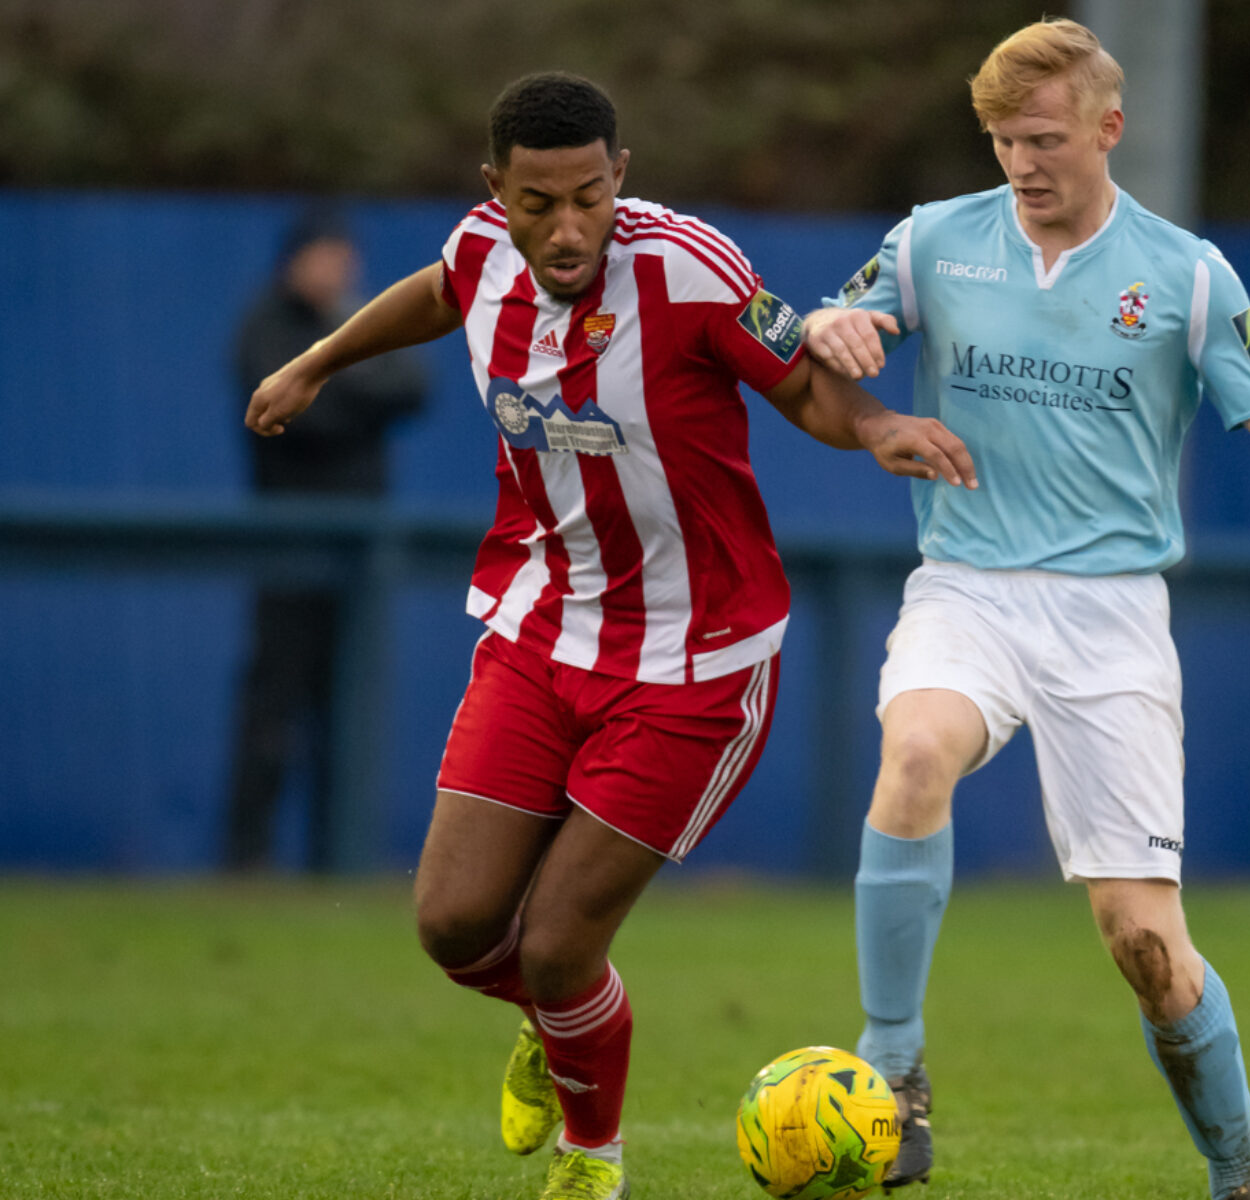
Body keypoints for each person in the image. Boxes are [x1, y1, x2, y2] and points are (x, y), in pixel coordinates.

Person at [245, 72, 973, 1200]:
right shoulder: (485, 249)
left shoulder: (689, 268)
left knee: (555, 945)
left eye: (590, 194)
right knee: (451, 922)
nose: (568, 225)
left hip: (694, 664)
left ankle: (593, 1156)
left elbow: (799, 384)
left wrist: (874, 425)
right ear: (499, 191)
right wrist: (318, 359)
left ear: (618, 177)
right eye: (540, 202)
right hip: (541, 634)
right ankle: (558, 1027)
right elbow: (441, 291)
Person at [803, 19, 1250, 1200]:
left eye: (1044, 138)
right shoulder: (935, 242)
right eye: (1002, 141)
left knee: (1144, 944)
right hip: (968, 586)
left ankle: (1243, 1170)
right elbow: (811, 335)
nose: (1021, 163)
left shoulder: (1187, 272)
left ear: (1109, 128)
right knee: (914, 755)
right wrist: (829, 327)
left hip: (1109, 619)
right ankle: (891, 1072)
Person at [225, 206, 428, 871]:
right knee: (272, 710)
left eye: (345, 256)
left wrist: (330, 376)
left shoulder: (359, 321)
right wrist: (337, 385)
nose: (339, 270)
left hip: (359, 558)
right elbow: (295, 416)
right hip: (291, 547)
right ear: (296, 260)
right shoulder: (266, 324)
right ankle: (246, 860)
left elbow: (412, 387)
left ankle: (332, 865)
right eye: (326, 256)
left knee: (345, 714)